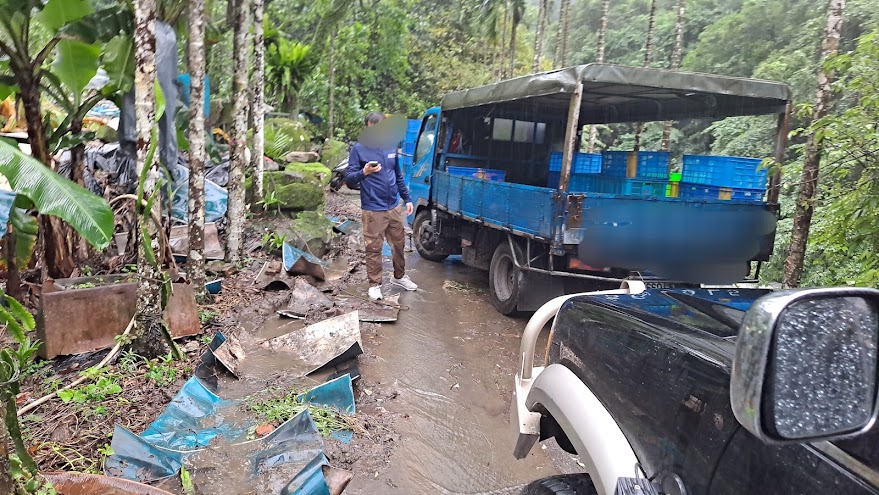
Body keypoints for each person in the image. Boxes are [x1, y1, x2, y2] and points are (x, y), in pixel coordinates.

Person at [345, 111, 417, 301]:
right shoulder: (358, 149)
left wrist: (407, 199)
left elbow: (398, 175)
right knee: (374, 248)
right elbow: (349, 180)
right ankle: (375, 284)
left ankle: (399, 277)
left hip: (393, 206)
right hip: (373, 208)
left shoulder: (391, 146)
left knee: (399, 245)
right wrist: (364, 172)